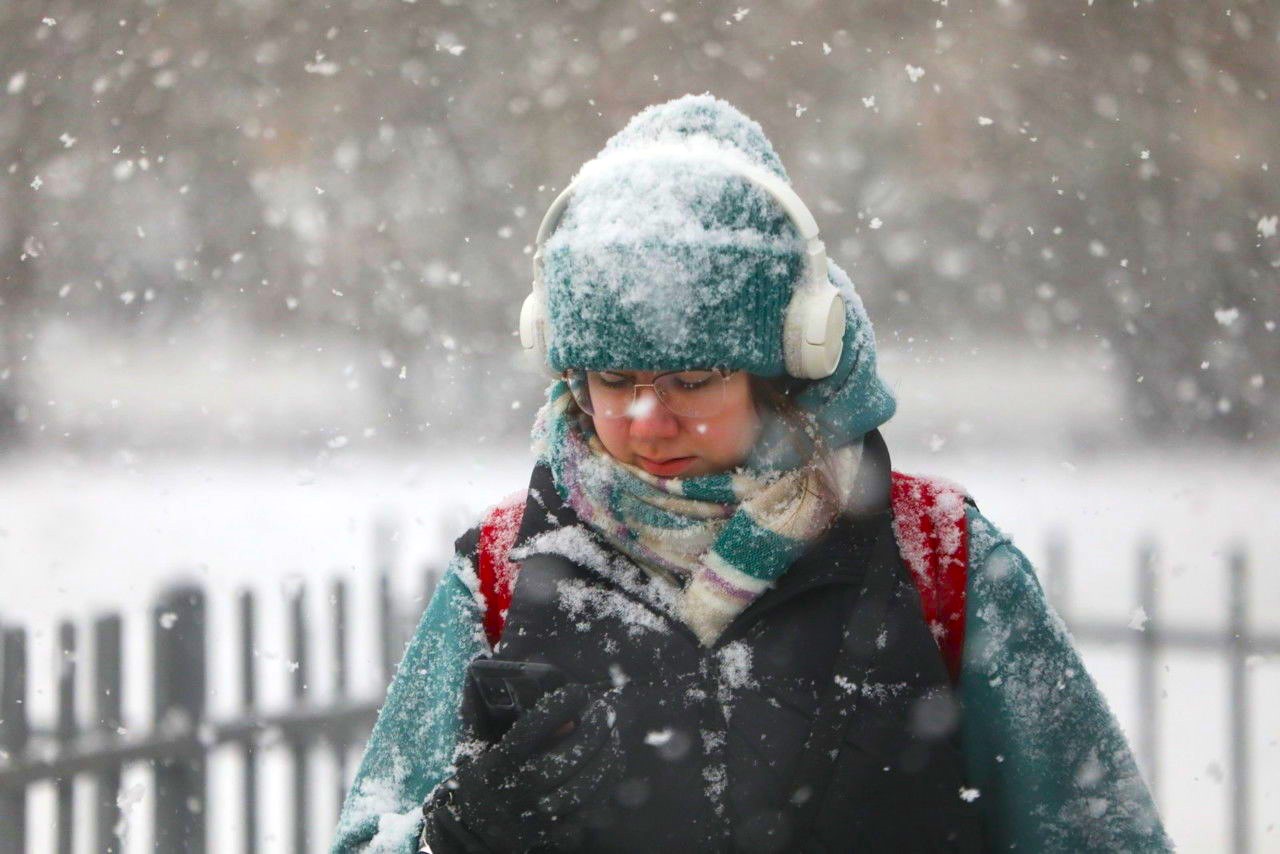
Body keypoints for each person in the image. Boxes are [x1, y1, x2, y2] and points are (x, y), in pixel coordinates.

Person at [332, 94, 1172, 853]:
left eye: (692, 381)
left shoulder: (940, 561)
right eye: (613, 380)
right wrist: (449, 839)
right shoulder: (500, 572)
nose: (645, 419)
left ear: (792, 358)